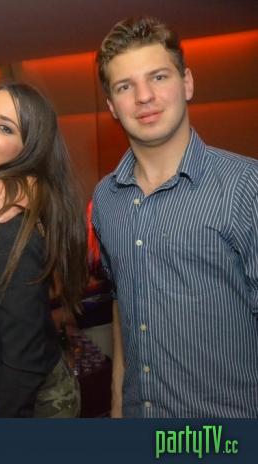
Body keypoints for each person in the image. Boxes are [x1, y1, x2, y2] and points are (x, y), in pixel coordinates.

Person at [92, 16, 258, 418]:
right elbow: (122, 306)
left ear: (187, 83)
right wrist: (117, 408)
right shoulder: (105, 199)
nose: (144, 96)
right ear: (112, 106)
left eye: (158, 77)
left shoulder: (246, 187)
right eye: (125, 86)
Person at [0, 83, 86, 418]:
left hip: (27, 403)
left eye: (5, 128)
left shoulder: (7, 222)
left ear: (27, 151)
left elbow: (26, 357)